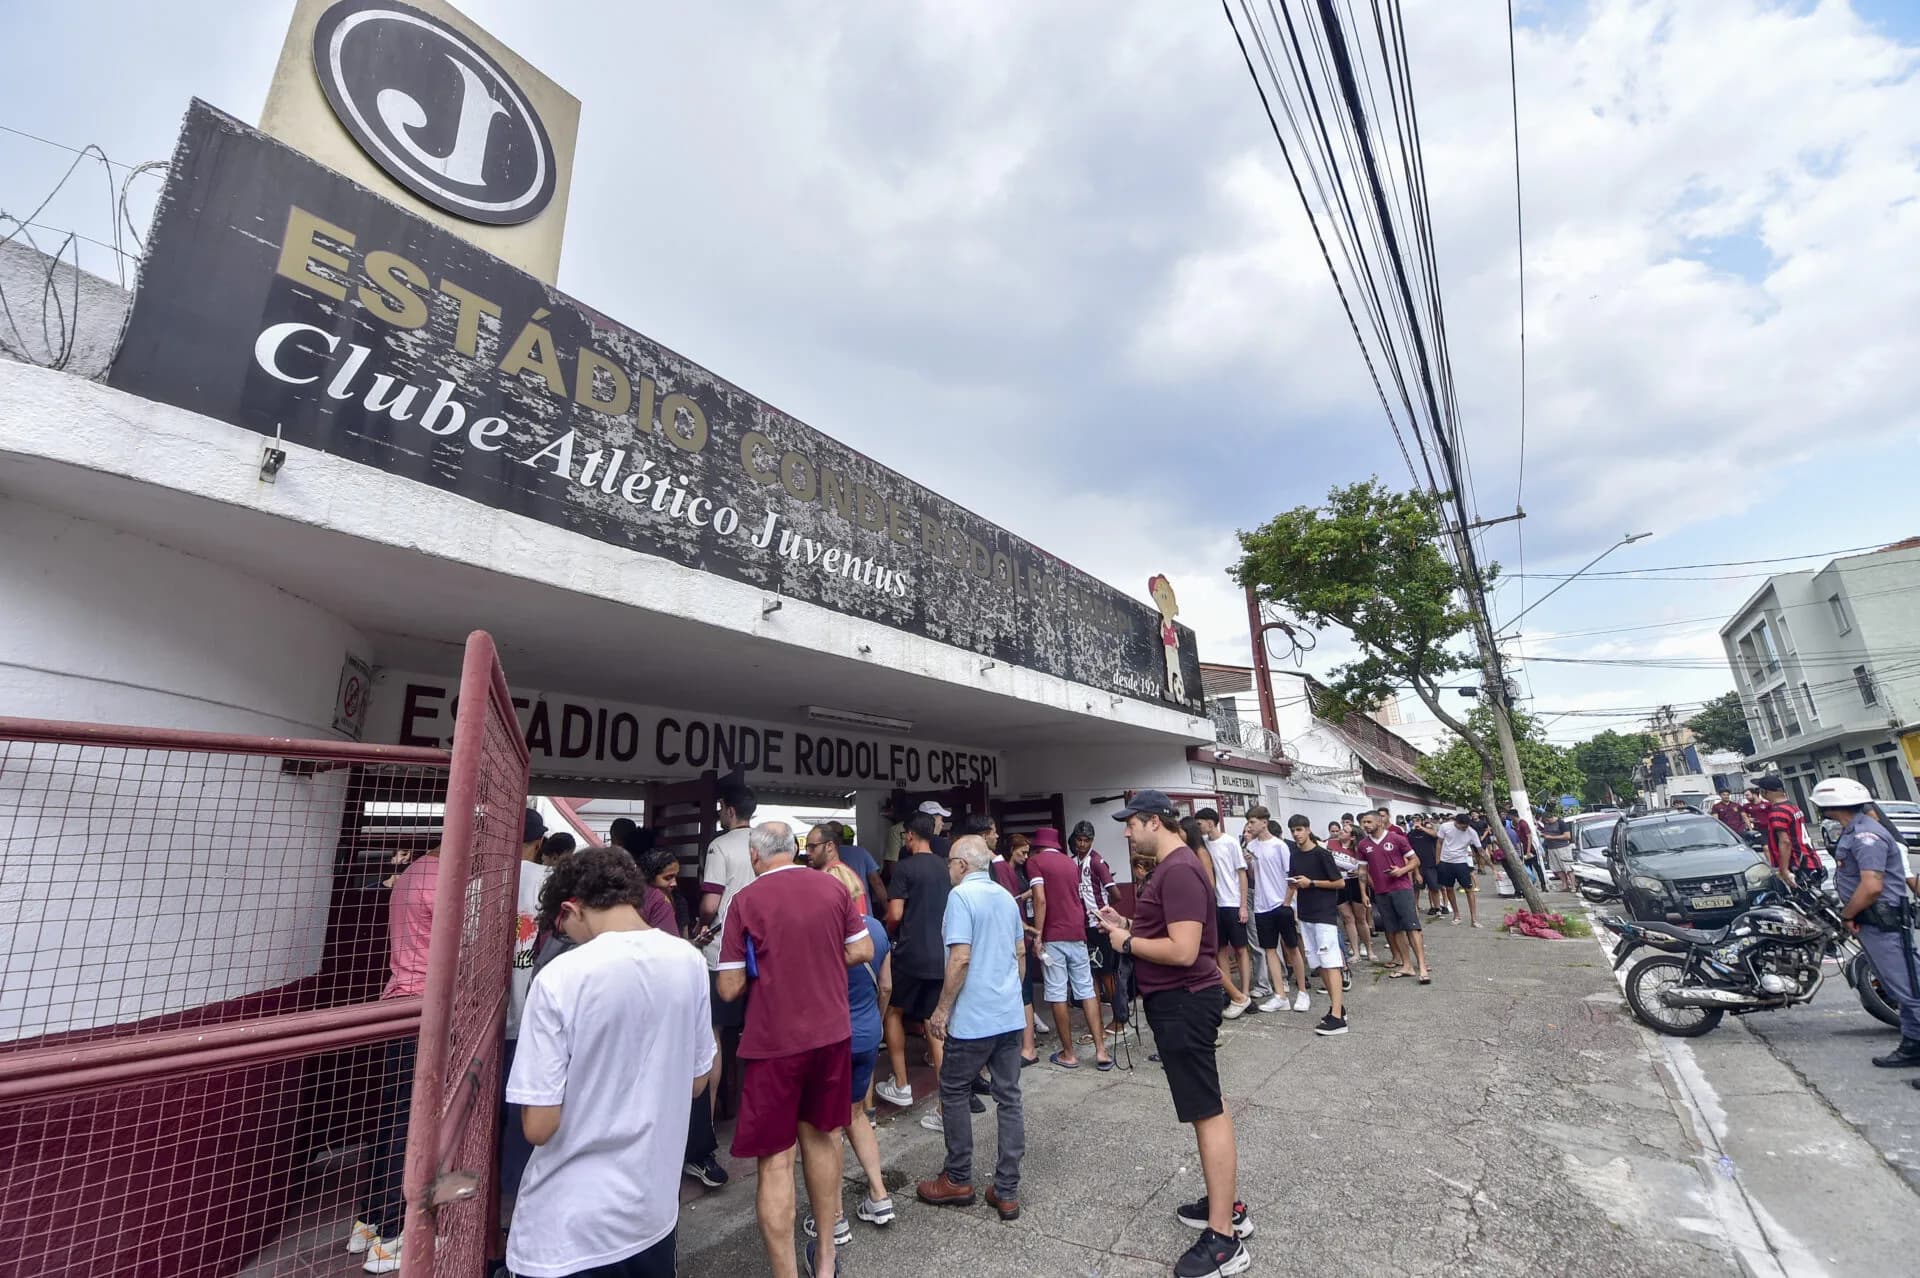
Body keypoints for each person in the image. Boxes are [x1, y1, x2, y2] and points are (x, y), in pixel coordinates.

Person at [503, 847, 711, 1278]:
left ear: (569, 909)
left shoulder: (560, 978)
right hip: (652, 1212)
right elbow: (696, 1081)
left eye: (561, 928)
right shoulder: (688, 961)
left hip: (569, 1230)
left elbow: (538, 1126)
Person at [1097, 791, 1252, 1278]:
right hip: (1179, 1002)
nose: (1125, 832)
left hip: (1184, 1001)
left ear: (1152, 822)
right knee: (1208, 1106)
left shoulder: (1179, 868)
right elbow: (1170, 930)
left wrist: (1127, 941)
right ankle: (1223, 1206)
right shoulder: (1175, 868)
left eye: (1130, 824)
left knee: (1206, 1112)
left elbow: (1185, 950)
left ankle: (1224, 1238)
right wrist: (1128, 924)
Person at [717, 822, 873, 1278]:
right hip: (831, 1035)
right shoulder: (831, 889)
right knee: (824, 1140)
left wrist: (769, 964)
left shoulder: (744, 902)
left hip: (773, 1045)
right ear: (797, 851)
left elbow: (728, 987)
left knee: (777, 1160)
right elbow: (862, 948)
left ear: (754, 856)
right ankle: (825, 1262)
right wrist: (818, 956)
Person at [347, 831, 448, 1273]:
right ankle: (394, 1237)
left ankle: (369, 1221)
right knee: (419, 1127)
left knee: (394, 1119)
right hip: (429, 1014)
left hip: (400, 1006)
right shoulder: (446, 880)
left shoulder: (412, 873)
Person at [916, 837, 1028, 1220]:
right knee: (1009, 1098)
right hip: (1009, 1016)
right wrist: (1010, 994)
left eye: (950, 863)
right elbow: (1020, 954)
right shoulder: (1004, 897)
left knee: (955, 1088)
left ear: (962, 865)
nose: (948, 869)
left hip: (974, 1019)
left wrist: (942, 1010)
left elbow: (960, 958)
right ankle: (1007, 1189)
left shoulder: (961, 898)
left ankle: (958, 1177)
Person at [1809, 778, 1920, 1073]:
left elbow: (1871, 886)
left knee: (1908, 989)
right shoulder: (1854, 831)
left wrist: (1847, 914)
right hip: (1874, 922)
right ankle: (1913, 1044)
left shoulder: (1865, 836)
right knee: (1899, 988)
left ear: (1831, 805)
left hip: (1883, 922)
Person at [806, 886, 896, 1245]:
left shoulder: (822, 933)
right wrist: (876, 1022)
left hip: (833, 1035)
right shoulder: (876, 928)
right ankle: (880, 1196)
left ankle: (835, 1217)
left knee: (828, 1127)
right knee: (856, 1114)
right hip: (868, 1031)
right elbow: (886, 986)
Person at [877, 813, 971, 1115]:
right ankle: (946, 1101)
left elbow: (895, 915)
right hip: (939, 953)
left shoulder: (904, 869)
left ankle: (901, 1085)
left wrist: (888, 930)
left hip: (909, 953)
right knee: (934, 1021)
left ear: (909, 835)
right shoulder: (946, 868)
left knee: (893, 1012)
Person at [1026, 826, 1115, 1070]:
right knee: (1086, 990)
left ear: (1038, 845)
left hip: (1053, 935)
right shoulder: (1070, 863)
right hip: (1077, 933)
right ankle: (1101, 1051)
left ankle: (1069, 1054)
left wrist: (1038, 935)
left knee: (1057, 993)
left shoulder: (1035, 862)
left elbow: (1041, 899)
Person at [1285, 815, 1350, 1035]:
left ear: (1308, 829)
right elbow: (1294, 883)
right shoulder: (1294, 855)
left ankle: (1338, 1019)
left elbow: (1340, 882)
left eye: (1300, 829)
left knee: (1331, 963)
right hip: (1305, 915)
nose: (1296, 834)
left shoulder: (1322, 854)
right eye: (1293, 830)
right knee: (1319, 964)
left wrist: (1311, 883)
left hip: (1324, 916)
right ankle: (1337, 1007)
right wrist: (1287, 905)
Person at [1243, 806, 1310, 1014]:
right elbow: (1254, 876)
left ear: (1264, 822)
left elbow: (1290, 875)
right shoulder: (1251, 846)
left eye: (1253, 822)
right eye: (1248, 822)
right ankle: (1280, 994)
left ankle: (1302, 991)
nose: (1250, 826)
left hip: (1280, 903)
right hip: (1261, 906)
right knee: (1269, 949)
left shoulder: (1279, 846)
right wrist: (1249, 863)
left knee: (1292, 947)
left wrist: (1287, 903)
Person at [1355, 810, 1429, 983]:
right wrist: (1363, 893)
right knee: (1394, 929)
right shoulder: (1363, 845)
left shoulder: (1397, 838)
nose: (1365, 825)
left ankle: (1423, 967)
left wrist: (1401, 871)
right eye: (1363, 822)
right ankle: (1406, 965)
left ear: (1379, 822)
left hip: (1401, 888)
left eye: (1368, 822)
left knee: (1412, 927)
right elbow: (1362, 871)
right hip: (1381, 892)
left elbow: (1415, 861)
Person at [1068, 821, 1125, 1041]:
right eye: (1079, 840)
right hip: (1082, 926)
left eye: (1086, 840)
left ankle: (1119, 1018)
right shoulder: (1073, 862)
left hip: (1098, 926)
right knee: (1089, 975)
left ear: (1092, 841)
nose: (1082, 844)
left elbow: (1117, 894)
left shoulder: (1097, 862)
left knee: (1107, 974)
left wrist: (1103, 910)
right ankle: (1097, 1024)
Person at [1197, 808, 1253, 1017]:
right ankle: (1231, 992)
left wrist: (1243, 905)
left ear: (1211, 823)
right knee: (1220, 949)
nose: (1199, 827)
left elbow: (1242, 874)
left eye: (1200, 822)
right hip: (1215, 905)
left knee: (1240, 949)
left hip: (1232, 902)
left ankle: (1246, 992)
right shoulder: (1202, 845)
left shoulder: (1229, 842)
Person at [1755, 775, 1824, 890]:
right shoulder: (1792, 806)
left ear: (1764, 792)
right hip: (1810, 860)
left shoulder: (1777, 812)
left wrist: (1784, 870)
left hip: (1797, 864)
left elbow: (1785, 841)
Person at [807, 824, 869, 917]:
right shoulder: (847, 876)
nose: (807, 852)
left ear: (829, 846)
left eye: (812, 847)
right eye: (807, 847)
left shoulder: (844, 878)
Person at [1408, 815, 1444, 916]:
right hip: (1417, 865)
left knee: (1434, 887)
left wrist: (1422, 828)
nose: (1416, 822)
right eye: (1414, 820)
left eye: (1418, 820)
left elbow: (1436, 835)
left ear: (1422, 821)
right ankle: (1415, 907)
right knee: (1416, 887)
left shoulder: (1428, 832)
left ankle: (1437, 907)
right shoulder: (1410, 834)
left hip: (1430, 864)